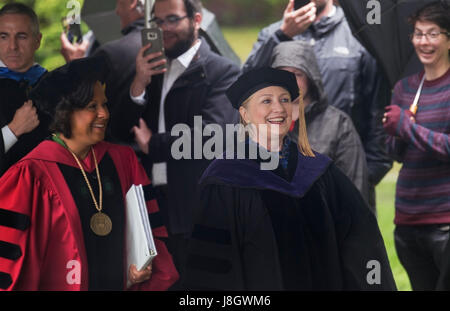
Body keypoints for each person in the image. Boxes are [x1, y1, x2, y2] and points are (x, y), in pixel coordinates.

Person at [184, 67, 396, 290]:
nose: (278, 108)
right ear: (245, 114)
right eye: (266, 101)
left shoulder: (320, 172)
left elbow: (362, 242)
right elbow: (209, 269)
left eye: (285, 99)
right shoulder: (224, 180)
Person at [0, 55, 178, 291]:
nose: (104, 113)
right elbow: (10, 266)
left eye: (104, 104)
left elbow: (152, 237)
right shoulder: (29, 175)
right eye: (92, 107)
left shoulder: (124, 161)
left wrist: (141, 268)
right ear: (64, 113)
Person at [111, 0, 239, 286]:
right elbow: (119, 129)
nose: (164, 29)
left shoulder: (223, 72)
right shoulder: (152, 69)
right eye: (157, 22)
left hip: (198, 208)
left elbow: (213, 135)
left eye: (172, 19)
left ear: (196, 20)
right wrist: (139, 83)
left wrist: (155, 144)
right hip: (151, 207)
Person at [243, 0, 392, 211]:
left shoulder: (359, 37)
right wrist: (281, 36)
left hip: (348, 170)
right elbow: (243, 92)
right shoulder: (272, 34)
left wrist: (365, 175)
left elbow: (378, 110)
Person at [383, 1, 450, 291]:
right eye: (418, 34)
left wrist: (407, 128)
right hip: (408, 220)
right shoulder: (405, 88)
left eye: (433, 34)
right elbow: (395, 153)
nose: (424, 41)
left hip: (445, 221)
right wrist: (394, 133)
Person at [271, 40, 370, 206]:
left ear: (310, 77)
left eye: (297, 74)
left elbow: (355, 189)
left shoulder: (338, 125)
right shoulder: (260, 124)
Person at [60, 0, 147, 134]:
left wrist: (74, 66)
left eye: (118, 3)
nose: (117, 11)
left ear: (132, 2)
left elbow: (82, 110)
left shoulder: (110, 54)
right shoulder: (170, 44)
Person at [0, 3, 48, 176]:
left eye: (21, 36)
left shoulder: (53, 85)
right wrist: (14, 130)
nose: (12, 46)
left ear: (38, 40)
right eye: (4, 36)